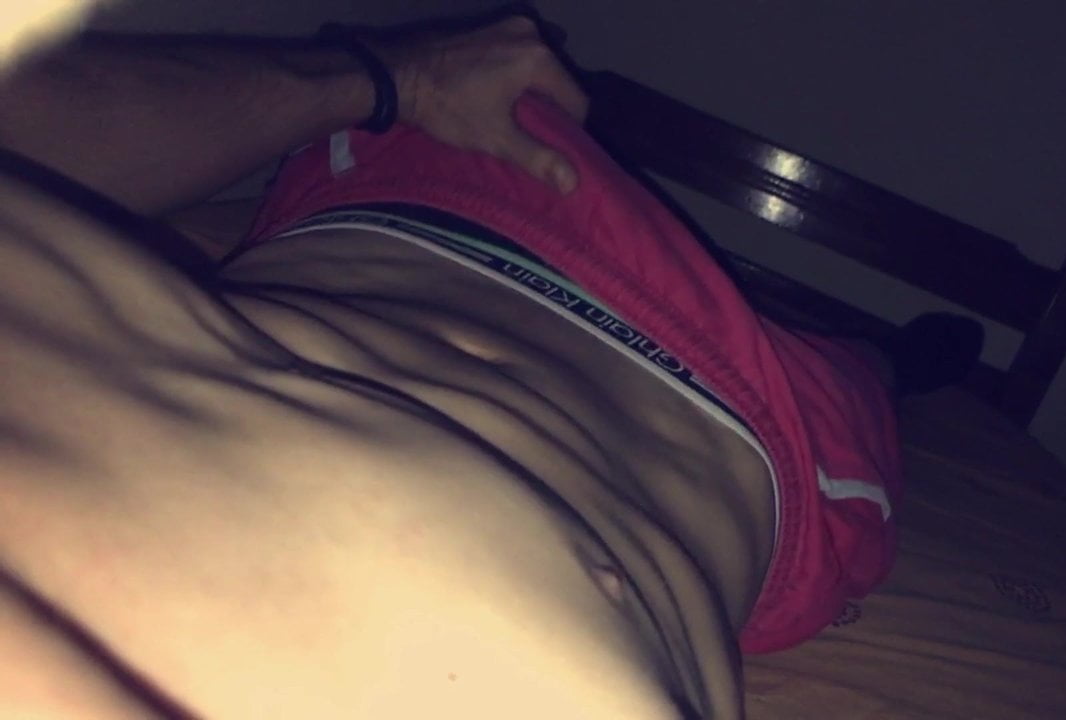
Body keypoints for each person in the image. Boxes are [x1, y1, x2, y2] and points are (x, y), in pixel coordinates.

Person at [0, 9, 975, 718]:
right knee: (870, 380)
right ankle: (901, 358)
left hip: (432, 194)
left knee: (511, 82)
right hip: (747, 408)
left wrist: (394, 76)